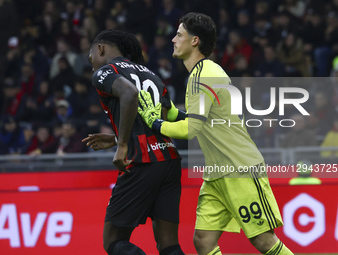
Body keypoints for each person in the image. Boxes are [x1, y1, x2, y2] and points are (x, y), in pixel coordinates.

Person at [138, 12, 293, 255]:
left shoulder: (204, 75)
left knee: (264, 241)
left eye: (179, 35)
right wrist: (166, 112)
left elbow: (190, 130)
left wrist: (155, 122)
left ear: (195, 41)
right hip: (217, 173)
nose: (173, 40)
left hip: (240, 168)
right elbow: (198, 120)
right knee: (203, 241)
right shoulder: (201, 73)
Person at [82, 29, 184, 255]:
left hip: (141, 160)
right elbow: (163, 118)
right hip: (168, 158)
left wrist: (123, 145)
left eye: (91, 56)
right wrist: (118, 137)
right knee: (168, 243)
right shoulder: (151, 74)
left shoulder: (105, 72)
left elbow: (129, 94)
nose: (91, 64)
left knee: (112, 241)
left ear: (100, 49)